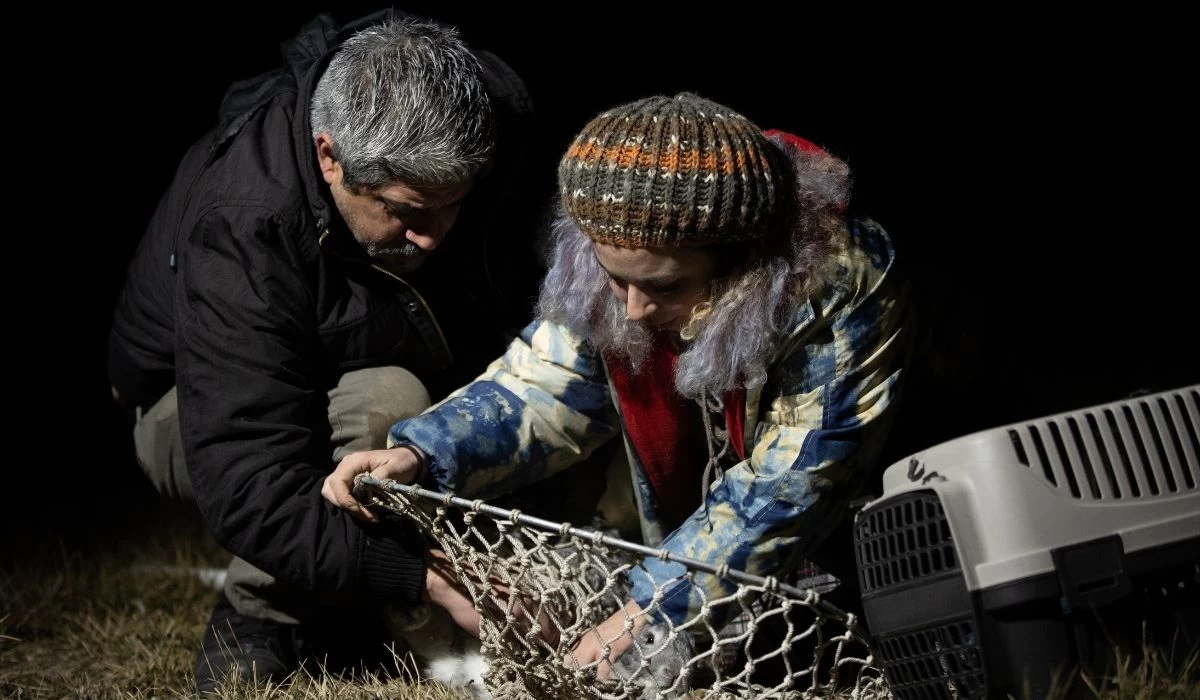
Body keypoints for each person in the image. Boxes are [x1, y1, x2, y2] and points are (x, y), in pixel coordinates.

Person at [323, 92, 913, 679]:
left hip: (848, 545)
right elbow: (544, 385)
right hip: (681, 533)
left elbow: (797, 478)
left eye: (667, 287)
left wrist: (652, 608)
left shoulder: (836, 277)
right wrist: (421, 451)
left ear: (742, 265)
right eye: (616, 280)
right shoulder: (609, 257)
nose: (632, 310)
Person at [106, 7, 542, 692]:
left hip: (354, 366)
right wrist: (419, 575)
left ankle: (343, 599)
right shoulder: (244, 220)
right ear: (328, 155)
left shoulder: (491, 129)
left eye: (454, 203)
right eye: (405, 211)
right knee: (387, 404)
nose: (433, 237)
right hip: (185, 414)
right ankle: (259, 616)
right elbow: (249, 476)